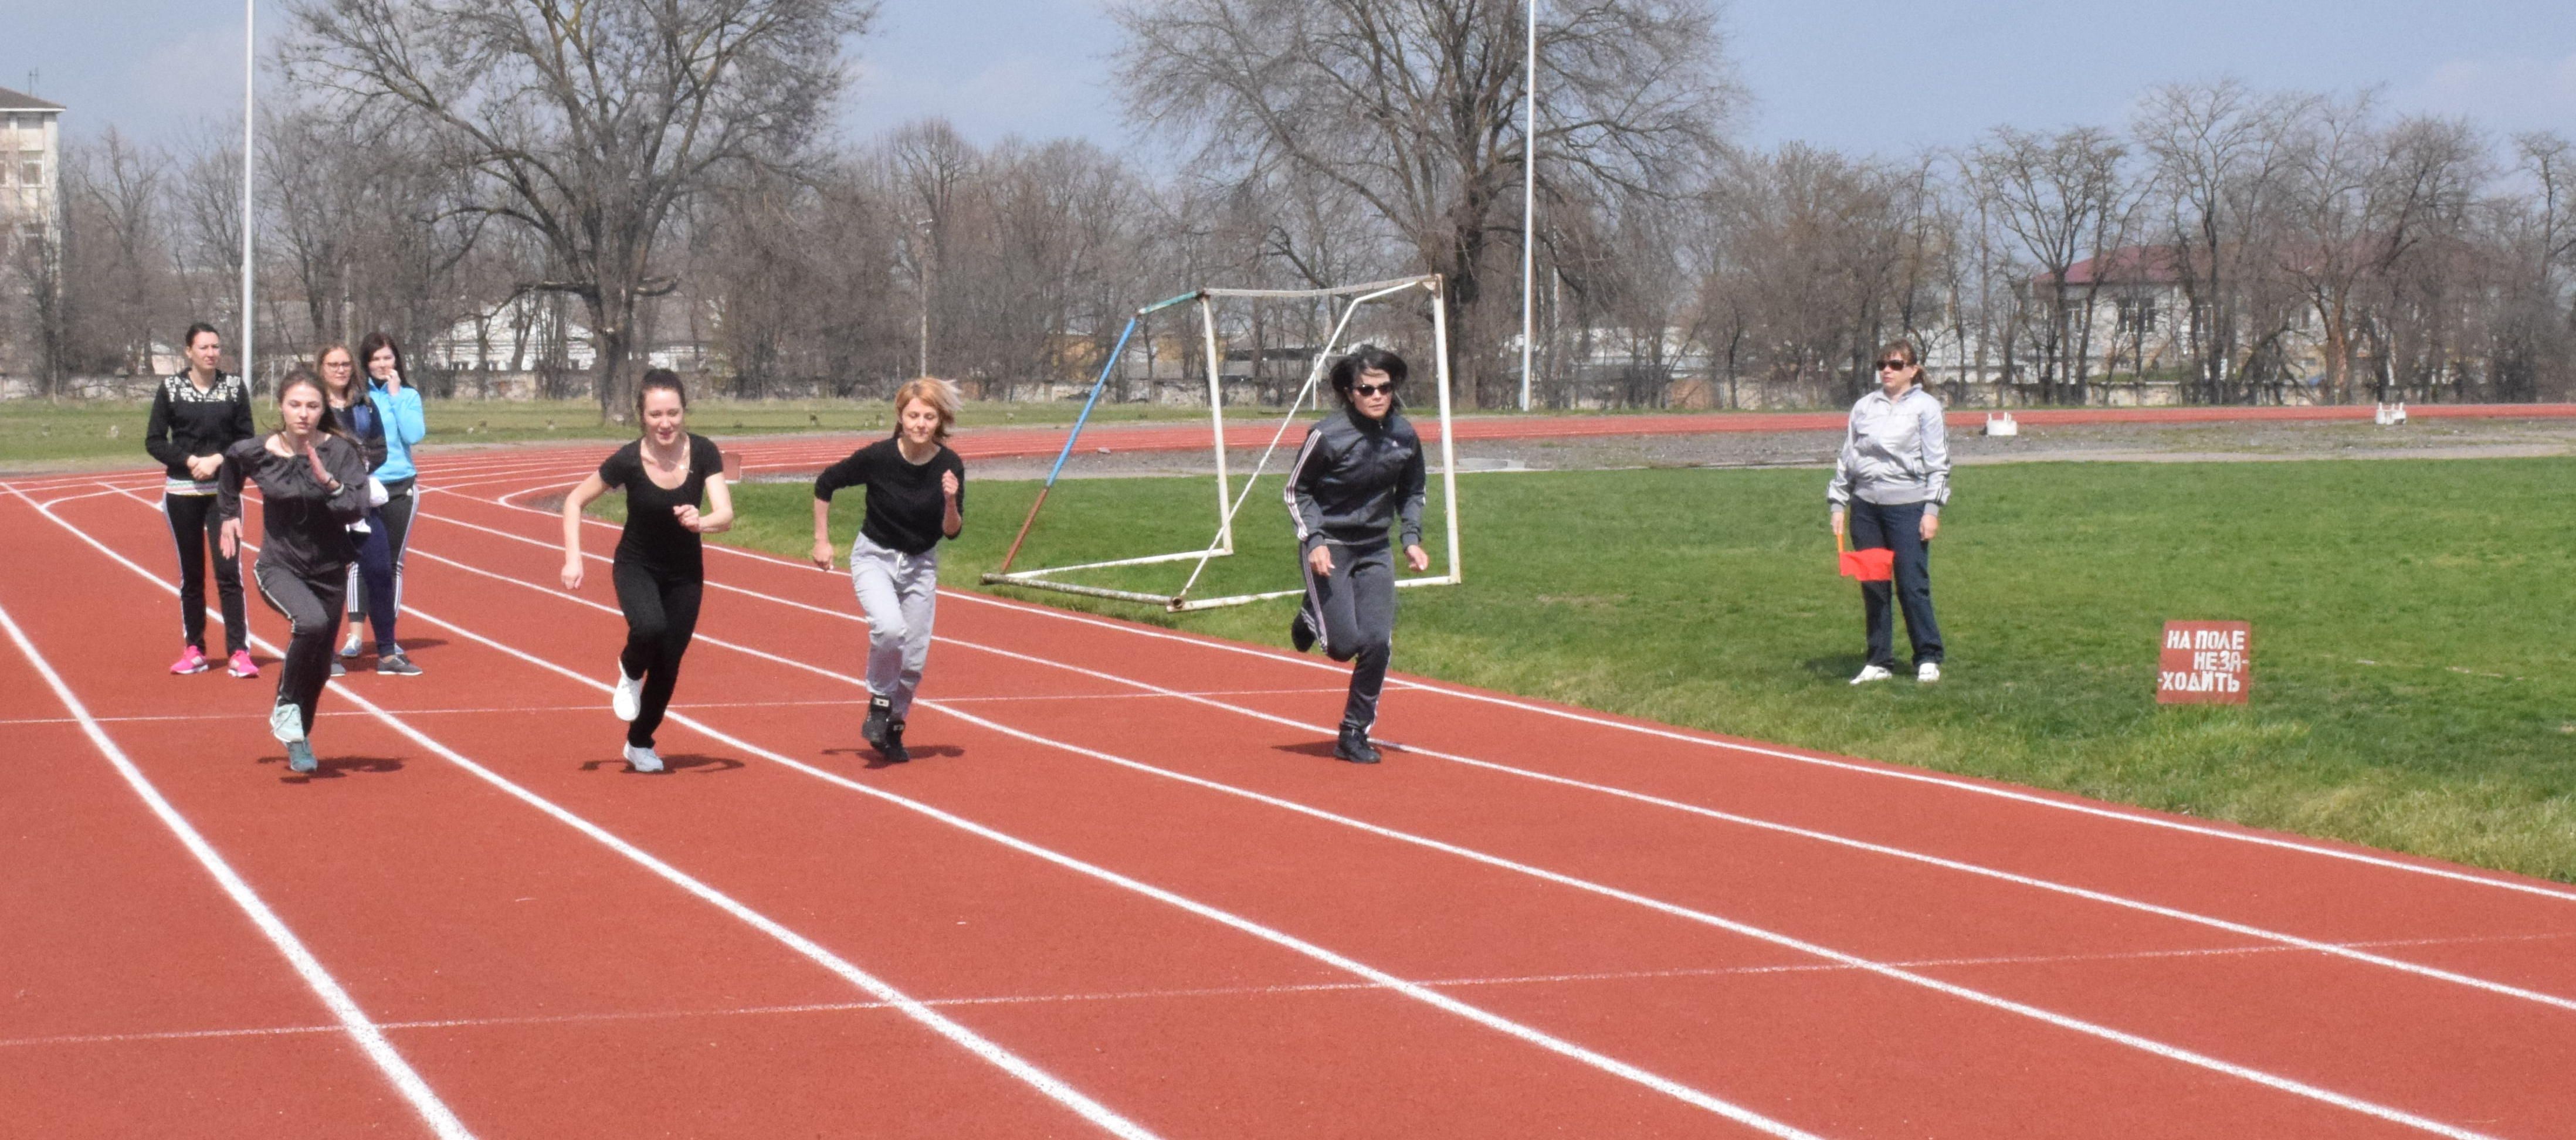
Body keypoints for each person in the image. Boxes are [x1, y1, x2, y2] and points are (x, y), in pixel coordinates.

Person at [559, 370, 733, 773]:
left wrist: (701, 520)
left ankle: (640, 742)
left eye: (673, 413)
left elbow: (725, 513)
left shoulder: (704, 452)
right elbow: (574, 502)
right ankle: (630, 669)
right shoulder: (628, 460)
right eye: (656, 414)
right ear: (643, 416)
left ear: (684, 412)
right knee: (650, 628)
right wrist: (574, 558)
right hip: (636, 565)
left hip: (685, 573)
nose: (666, 422)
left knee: (670, 662)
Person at [218, 369, 371, 773]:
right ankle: (286, 704)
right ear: (281, 406)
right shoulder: (257, 450)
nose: (303, 413)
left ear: (324, 409)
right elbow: (230, 468)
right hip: (279, 565)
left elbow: (357, 506)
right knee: (311, 623)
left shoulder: (340, 451)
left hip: (330, 568)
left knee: (320, 667)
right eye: (295, 405)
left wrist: (331, 485)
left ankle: (298, 737)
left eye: (313, 406)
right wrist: (229, 514)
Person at [1283, 345, 1429, 765]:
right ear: (1350, 392)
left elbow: (1413, 489)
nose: (1378, 396)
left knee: (1378, 644)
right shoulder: (1327, 436)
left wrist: (1411, 539)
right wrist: (1314, 539)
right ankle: (1312, 614)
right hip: (1330, 547)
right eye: (1367, 389)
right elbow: (1297, 490)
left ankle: (1353, 733)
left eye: (1385, 388)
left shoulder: (1404, 435)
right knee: (1343, 646)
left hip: (1375, 548)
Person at [809, 378, 966, 765]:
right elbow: (825, 483)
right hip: (875, 556)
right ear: (900, 416)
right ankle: (880, 701)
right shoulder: (878, 457)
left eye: (929, 417)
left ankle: (893, 728)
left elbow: (952, 531)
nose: (920, 424)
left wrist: (950, 499)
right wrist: (822, 540)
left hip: (921, 564)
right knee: (889, 629)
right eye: (913, 416)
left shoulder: (950, 465)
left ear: (939, 421)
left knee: (913, 659)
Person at [1828, 339, 1950, 685]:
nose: (1887, 371)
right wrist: (1839, 502)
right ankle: (1879, 660)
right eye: (1882, 364)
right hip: (1866, 508)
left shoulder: (1926, 408)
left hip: (1908, 508)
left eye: (1896, 365)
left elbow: (1938, 463)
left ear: (1913, 370)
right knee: (1874, 585)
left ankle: (1927, 655)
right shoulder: (1864, 407)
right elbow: (1848, 458)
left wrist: (1931, 509)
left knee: (1912, 585)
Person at [146, 323, 259, 678]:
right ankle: (195, 648)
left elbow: (246, 440)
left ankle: (239, 651)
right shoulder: (171, 389)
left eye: (215, 347)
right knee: (191, 575)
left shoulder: (234, 388)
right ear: (188, 351)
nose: (211, 353)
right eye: (204, 347)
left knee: (229, 572)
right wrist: (189, 461)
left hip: (223, 496)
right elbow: (155, 441)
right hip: (182, 494)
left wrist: (218, 459)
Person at [316, 345, 421, 678]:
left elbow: (379, 448)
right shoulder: (315, 405)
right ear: (321, 368)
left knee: (379, 568)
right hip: (325, 501)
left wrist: (358, 468)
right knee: (329, 576)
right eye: (333, 364)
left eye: (345, 364)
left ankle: (387, 652)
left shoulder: (364, 404)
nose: (340, 370)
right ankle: (325, 652)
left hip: (361, 498)